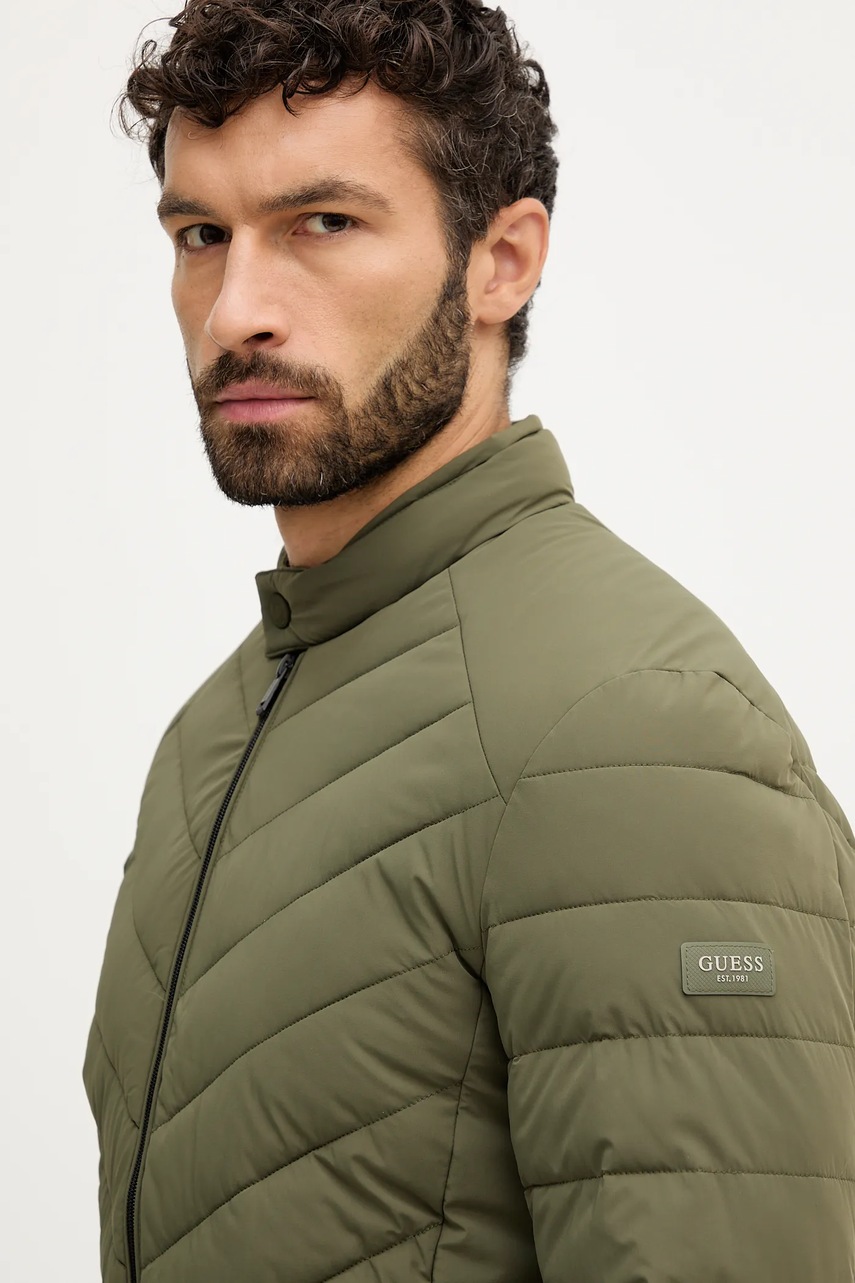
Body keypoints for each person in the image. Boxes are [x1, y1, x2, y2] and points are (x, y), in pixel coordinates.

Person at [81, 2, 855, 1280]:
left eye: (322, 223)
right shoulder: (211, 738)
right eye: (201, 235)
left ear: (501, 261)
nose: (235, 313)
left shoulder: (633, 732)